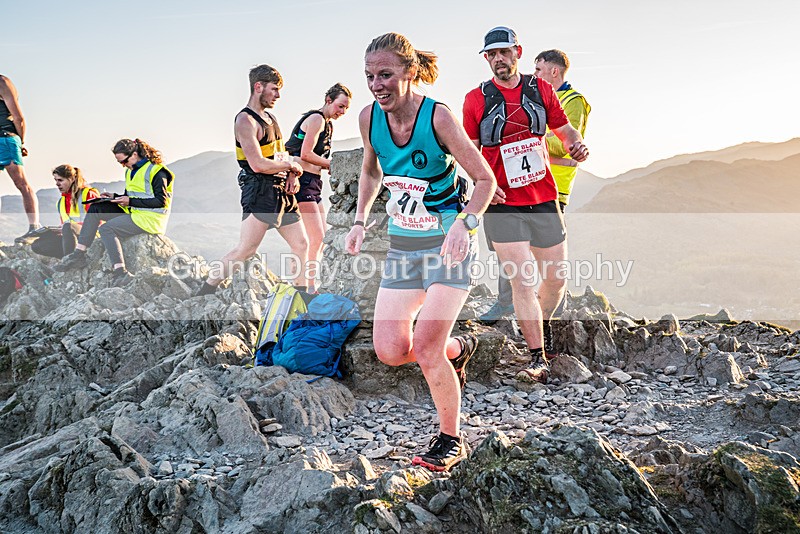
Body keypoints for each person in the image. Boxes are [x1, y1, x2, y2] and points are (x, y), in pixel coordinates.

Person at [345, 33, 497, 472]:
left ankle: (451, 439)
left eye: (386, 74)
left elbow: (485, 180)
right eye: (370, 76)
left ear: (410, 72)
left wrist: (466, 224)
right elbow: (370, 172)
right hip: (403, 246)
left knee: (426, 348)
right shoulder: (369, 118)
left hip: (448, 244)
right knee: (391, 350)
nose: (377, 85)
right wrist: (359, 221)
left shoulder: (438, 118)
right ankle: (459, 348)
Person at [463, 27, 589, 383]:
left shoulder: (541, 90)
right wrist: (483, 184)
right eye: (491, 54)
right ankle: (537, 355)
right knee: (522, 280)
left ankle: (539, 326)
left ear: (517, 52)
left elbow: (565, 131)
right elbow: (468, 151)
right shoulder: (475, 99)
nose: (498, 59)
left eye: (503, 52)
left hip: (544, 197)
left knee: (556, 280)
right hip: (502, 202)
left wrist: (576, 144)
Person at [480, 48, 591, 324]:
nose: (534, 73)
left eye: (539, 69)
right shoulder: (534, 95)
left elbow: (564, 144)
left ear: (554, 71)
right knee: (511, 249)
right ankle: (507, 304)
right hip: (519, 186)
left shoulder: (573, 101)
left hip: (553, 188)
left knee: (551, 256)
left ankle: (552, 309)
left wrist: (527, 137)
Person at [194, 65, 308, 297]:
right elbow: (257, 164)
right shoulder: (245, 121)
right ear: (258, 87)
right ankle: (207, 288)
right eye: (274, 89)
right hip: (259, 190)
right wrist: (290, 166)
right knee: (246, 249)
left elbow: (280, 156)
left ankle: (301, 296)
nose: (278, 95)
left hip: (282, 192)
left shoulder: (271, 119)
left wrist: (291, 175)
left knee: (301, 244)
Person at [53, 139, 175, 287]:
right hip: (134, 213)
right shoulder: (130, 171)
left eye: (124, 161)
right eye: (120, 163)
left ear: (134, 154)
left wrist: (130, 201)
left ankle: (120, 272)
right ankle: (79, 254)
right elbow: (131, 195)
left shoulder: (157, 171)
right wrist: (115, 197)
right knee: (96, 208)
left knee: (106, 228)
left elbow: (161, 201)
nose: (123, 165)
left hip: (150, 219)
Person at [285, 83, 352, 292]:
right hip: (303, 182)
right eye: (340, 106)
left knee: (322, 238)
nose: (342, 112)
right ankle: (306, 287)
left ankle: (310, 284)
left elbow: (315, 157)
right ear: (328, 100)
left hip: (314, 183)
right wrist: (331, 164)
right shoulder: (316, 119)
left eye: (346, 109)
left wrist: (325, 165)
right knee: (314, 238)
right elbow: (305, 154)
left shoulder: (328, 124)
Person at [0, 75, 40, 242]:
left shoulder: (2, 82)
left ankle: (34, 227)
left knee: (21, 183)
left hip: (5, 137)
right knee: (20, 183)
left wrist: (21, 142)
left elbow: (19, 118)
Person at [30, 165, 99, 258]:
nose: (57, 184)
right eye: (56, 180)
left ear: (72, 179)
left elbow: (99, 221)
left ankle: (70, 261)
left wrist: (69, 227)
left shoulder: (88, 194)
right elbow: (66, 226)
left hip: (92, 236)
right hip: (72, 236)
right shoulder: (60, 202)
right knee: (37, 245)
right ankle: (67, 258)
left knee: (68, 226)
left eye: (60, 180)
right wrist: (57, 230)